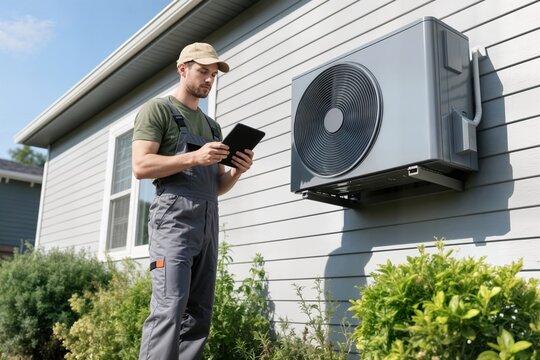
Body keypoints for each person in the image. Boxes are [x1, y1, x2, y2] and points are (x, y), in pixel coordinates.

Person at [132, 42, 254, 360]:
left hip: (207, 219)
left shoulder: (213, 127)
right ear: (183, 68)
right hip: (173, 218)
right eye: (203, 72)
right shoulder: (159, 110)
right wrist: (193, 158)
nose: (209, 80)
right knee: (169, 309)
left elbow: (215, 186)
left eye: (213, 75)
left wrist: (237, 171)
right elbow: (141, 166)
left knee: (199, 315)